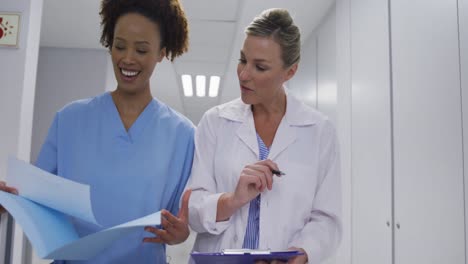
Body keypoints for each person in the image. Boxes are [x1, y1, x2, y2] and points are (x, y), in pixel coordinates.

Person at [0, 0, 194, 263]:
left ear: (161, 52)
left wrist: (181, 234)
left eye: (141, 49)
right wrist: (8, 201)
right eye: (120, 46)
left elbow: (182, 219)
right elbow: (35, 198)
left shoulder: (182, 135)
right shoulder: (70, 120)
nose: (127, 58)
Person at [187, 8, 342, 264]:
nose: (243, 74)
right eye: (242, 59)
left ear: (289, 72)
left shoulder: (319, 131)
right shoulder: (215, 122)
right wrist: (232, 200)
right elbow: (193, 209)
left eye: (259, 66)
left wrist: (302, 253)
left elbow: (327, 219)